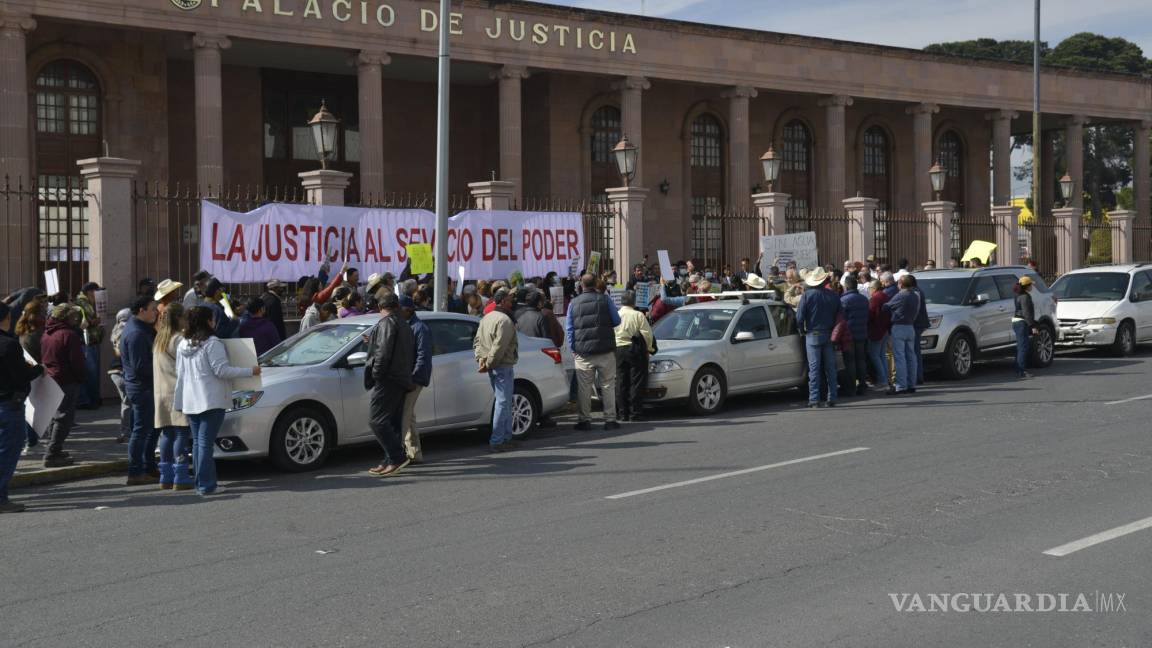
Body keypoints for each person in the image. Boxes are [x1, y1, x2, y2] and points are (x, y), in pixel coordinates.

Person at [173, 306, 260, 495]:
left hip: (190, 399)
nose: (214, 321)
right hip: (211, 399)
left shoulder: (182, 343)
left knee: (198, 442)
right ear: (207, 321)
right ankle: (206, 485)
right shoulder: (212, 343)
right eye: (211, 319)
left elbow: (179, 373)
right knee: (204, 443)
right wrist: (250, 371)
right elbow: (222, 371)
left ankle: (200, 482)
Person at [0, 302, 45, 513]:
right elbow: (20, 375)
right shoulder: (9, 345)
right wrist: (37, 370)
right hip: (8, 404)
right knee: (8, 450)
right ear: (6, 319)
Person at [364, 294, 416, 475]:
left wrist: (377, 374)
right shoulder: (404, 324)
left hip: (389, 378)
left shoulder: (387, 323)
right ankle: (389, 459)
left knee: (376, 421)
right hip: (401, 378)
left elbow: (384, 353)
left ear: (381, 307)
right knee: (391, 422)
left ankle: (396, 457)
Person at [567, 274, 622, 431]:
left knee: (584, 388)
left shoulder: (573, 303)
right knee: (608, 385)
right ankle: (610, 420)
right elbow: (617, 320)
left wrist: (573, 349)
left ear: (581, 285)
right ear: (595, 284)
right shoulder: (605, 299)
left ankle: (584, 420)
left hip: (583, 352)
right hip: (605, 349)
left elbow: (570, 329)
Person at [38, 304, 88, 467]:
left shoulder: (47, 333)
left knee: (55, 416)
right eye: (73, 316)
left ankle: (53, 449)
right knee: (64, 418)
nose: (75, 319)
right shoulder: (68, 335)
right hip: (66, 379)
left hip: (51, 377)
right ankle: (52, 452)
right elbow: (77, 361)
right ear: (67, 317)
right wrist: (81, 377)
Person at [152, 303, 193, 491]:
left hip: (161, 392)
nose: (187, 320)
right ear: (178, 319)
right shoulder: (179, 339)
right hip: (177, 391)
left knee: (167, 434)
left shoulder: (159, 338)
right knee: (181, 433)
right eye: (185, 316)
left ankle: (165, 476)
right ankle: (181, 476)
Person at [120, 296, 160, 485]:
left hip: (144, 387)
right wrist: (162, 369)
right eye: (153, 309)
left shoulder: (142, 329)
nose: (156, 312)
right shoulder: (136, 333)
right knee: (141, 431)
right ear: (141, 310)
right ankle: (135, 471)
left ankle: (148, 467)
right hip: (142, 388)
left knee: (149, 430)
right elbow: (140, 366)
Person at [474, 288, 520, 450]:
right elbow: (498, 347)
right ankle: (497, 440)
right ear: (502, 302)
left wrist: (481, 360)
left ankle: (505, 437)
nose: (511, 302)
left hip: (494, 364)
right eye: (509, 300)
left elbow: (478, 342)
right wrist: (488, 363)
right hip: (501, 365)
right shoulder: (504, 320)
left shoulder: (486, 318)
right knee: (503, 402)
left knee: (505, 402)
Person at [796, 267, 841, 408]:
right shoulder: (833, 295)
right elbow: (840, 316)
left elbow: (799, 318)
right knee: (830, 368)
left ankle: (814, 399)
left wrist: (801, 330)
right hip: (829, 333)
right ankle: (832, 397)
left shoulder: (807, 295)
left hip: (812, 334)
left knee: (814, 369)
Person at [397, 295, 431, 463]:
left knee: (404, 414)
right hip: (407, 377)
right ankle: (415, 453)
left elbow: (422, 356)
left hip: (414, 379)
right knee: (409, 415)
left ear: (408, 310)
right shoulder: (405, 325)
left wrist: (414, 378)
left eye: (399, 309)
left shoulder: (419, 328)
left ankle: (397, 454)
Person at [614, 290, 654, 422]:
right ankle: (635, 413)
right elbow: (647, 334)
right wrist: (649, 349)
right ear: (634, 301)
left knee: (621, 382)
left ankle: (621, 413)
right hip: (634, 349)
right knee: (636, 382)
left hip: (618, 350)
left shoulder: (616, 315)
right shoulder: (638, 315)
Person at [884, 275, 921, 395]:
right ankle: (911, 384)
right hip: (910, 326)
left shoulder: (901, 294)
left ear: (901, 284)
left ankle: (901, 386)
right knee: (911, 356)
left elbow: (886, 307)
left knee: (899, 357)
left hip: (899, 326)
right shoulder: (915, 295)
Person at [74, 282, 105, 409]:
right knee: (91, 373)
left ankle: (93, 398)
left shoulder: (90, 302)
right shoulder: (81, 304)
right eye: (95, 291)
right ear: (89, 292)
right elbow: (81, 323)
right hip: (86, 342)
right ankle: (89, 400)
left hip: (93, 341)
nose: (97, 294)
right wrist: (93, 322)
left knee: (93, 372)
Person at [840, 276, 870, 396]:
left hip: (849, 335)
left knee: (850, 362)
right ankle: (862, 385)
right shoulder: (864, 299)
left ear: (846, 286)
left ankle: (851, 387)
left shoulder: (843, 300)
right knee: (861, 360)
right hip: (862, 333)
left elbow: (841, 319)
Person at [107, 308, 133, 444]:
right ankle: (128, 432)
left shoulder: (116, 329)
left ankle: (127, 431)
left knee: (127, 402)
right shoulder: (129, 330)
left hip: (115, 372)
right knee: (129, 403)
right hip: (122, 371)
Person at [866, 279, 893, 391]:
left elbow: (870, 315)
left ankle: (883, 381)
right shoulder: (885, 296)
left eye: (869, 289)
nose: (868, 291)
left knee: (875, 355)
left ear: (874, 288)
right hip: (885, 330)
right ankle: (885, 380)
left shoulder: (875, 299)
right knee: (881, 355)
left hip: (876, 330)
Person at [1013, 276, 1038, 379]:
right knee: (1023, 347)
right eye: (1031, 284)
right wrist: (1032, 326)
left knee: (1021, 346)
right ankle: (1022, 371)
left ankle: (1019, 368)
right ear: (1027, 286)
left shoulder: (1018, 295)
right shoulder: (1025, 296)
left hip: (1018, 322)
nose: (1032, 286)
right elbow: (1026, 312)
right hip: (1022, 322)